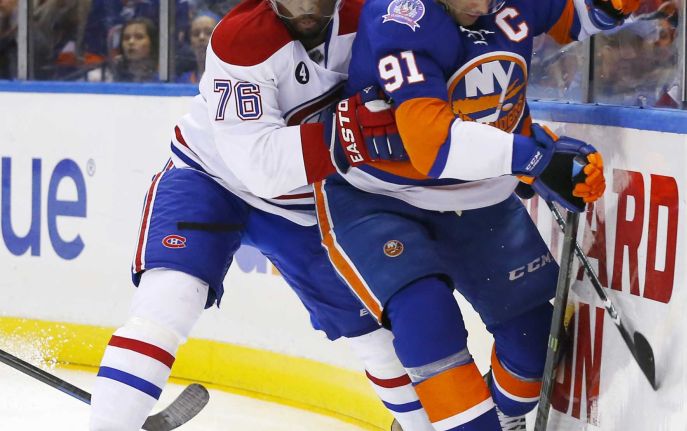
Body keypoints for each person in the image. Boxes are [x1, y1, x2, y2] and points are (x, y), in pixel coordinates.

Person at [88, 0, 433, 429]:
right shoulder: (242, 38)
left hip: (304, 204)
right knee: (168, 300)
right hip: (211, 177)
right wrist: (351, 138)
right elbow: (263, 168)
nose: (307, 5)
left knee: (374, 335)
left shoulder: (372, 20)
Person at [315, 0, 636, 429]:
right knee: (426, 319)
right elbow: (434, 146)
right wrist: (533, 158)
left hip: (481, 199)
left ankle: (500, 418)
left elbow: (576, 17)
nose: (482, 4)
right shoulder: (401, 16)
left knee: (533, 345)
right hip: (382, 196)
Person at [175, 12, 218, 83]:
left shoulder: (230, 76)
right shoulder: (181, 79)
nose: (201, 37)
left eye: (208, 32)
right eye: (196, 33)